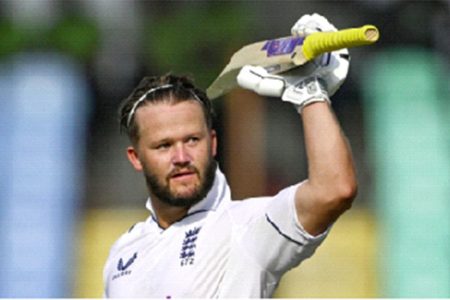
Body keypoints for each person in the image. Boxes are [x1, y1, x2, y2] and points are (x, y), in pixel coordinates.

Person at [103, 13, 357, 298]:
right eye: (164, 146)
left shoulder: (245, 228)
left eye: (192, 140)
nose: (182, 156)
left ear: (212, 144)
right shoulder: (124, 251)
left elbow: (334, 190)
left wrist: (310, 93)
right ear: (136, 158)